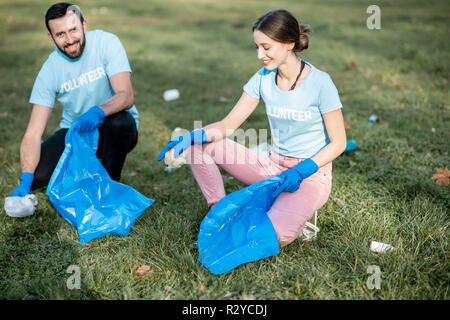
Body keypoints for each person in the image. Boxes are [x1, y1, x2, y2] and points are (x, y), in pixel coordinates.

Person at [157, 9, 346, 248]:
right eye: (257, 47)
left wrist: (302, 170)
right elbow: (227, 125)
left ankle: (294, 213)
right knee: (198, 146)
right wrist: (192, 136)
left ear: (289, 43)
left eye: (266, 47)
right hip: (273, 166)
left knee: (274, 236)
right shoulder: (263, 77)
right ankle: (220, 213)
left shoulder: (320, 83)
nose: (260, 55)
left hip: (309, 176)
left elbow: (338, 142)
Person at [10, 2, 139, 197]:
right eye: (60, 34)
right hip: (76, 133)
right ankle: (81, 168)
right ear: (51, 37)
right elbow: (33, 134)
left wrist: (97, 112)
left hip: (113, 129)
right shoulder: (49, 70)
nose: (70, 40)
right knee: (37, 175)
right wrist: (25, 180)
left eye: (73, 30)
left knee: (120, 122)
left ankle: (108, 187)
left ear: (84, 25)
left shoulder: (107, 42)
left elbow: (126, 95)